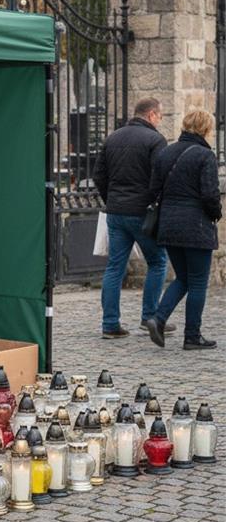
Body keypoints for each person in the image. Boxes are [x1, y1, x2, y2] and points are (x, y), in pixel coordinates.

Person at [94, 96, 172, 338]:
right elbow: (160, 177)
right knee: (157, 262)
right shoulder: (155, 140)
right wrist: (154, 203)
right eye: (160, 116)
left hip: (116, 213)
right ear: (151, 114)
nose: (160, 121)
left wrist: (112, 199)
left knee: (114, 267)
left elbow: (99, 175)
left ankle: (110, 324)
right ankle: (149, 317)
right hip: (142, 213)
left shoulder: (113, 138)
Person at [144, 110, 222, 351]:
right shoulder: (205, 155)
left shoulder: (166, 153)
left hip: (169, 225)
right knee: (198, 282)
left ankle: (158, 318)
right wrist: (216, 213)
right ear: (206, 128)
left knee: (183, 278)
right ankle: (192, 336)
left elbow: (153, 190)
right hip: (196, 226)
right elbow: (210, 194)